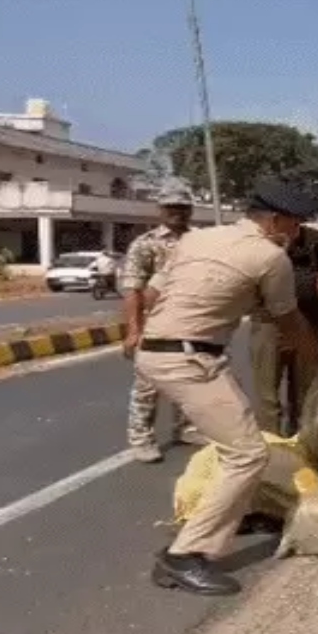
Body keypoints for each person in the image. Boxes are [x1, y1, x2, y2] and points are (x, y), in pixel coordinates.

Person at [135, 179, 318, 596]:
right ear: (275, 221)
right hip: (189, 360)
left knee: (241, 443)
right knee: (247, 454)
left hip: (161, 350)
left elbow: (153, 293)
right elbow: (289, 321)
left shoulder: (197, 238)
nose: (297, 231)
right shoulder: (271, 257)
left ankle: (239, 509)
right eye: (295, 223)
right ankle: (184, 555)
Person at [120, 186, 203, 463]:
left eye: (182, 207)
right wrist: (134, 330)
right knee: (148, 383)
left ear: (190, 210)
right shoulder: (145, 244)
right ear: (161, 210)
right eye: (171, 207)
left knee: (190, 377)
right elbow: (133, 289)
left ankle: (186, 428)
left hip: (193, 321)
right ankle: (141, 438)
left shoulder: (200, 240)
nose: (177, 212)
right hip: (155, 322)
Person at [250, 222, 318, 436]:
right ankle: (272, 444)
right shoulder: (258, 240)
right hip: (269, 323)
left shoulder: (314, 239)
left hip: (307, 321)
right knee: (267, 395)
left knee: (305, 390)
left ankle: (301, 440)